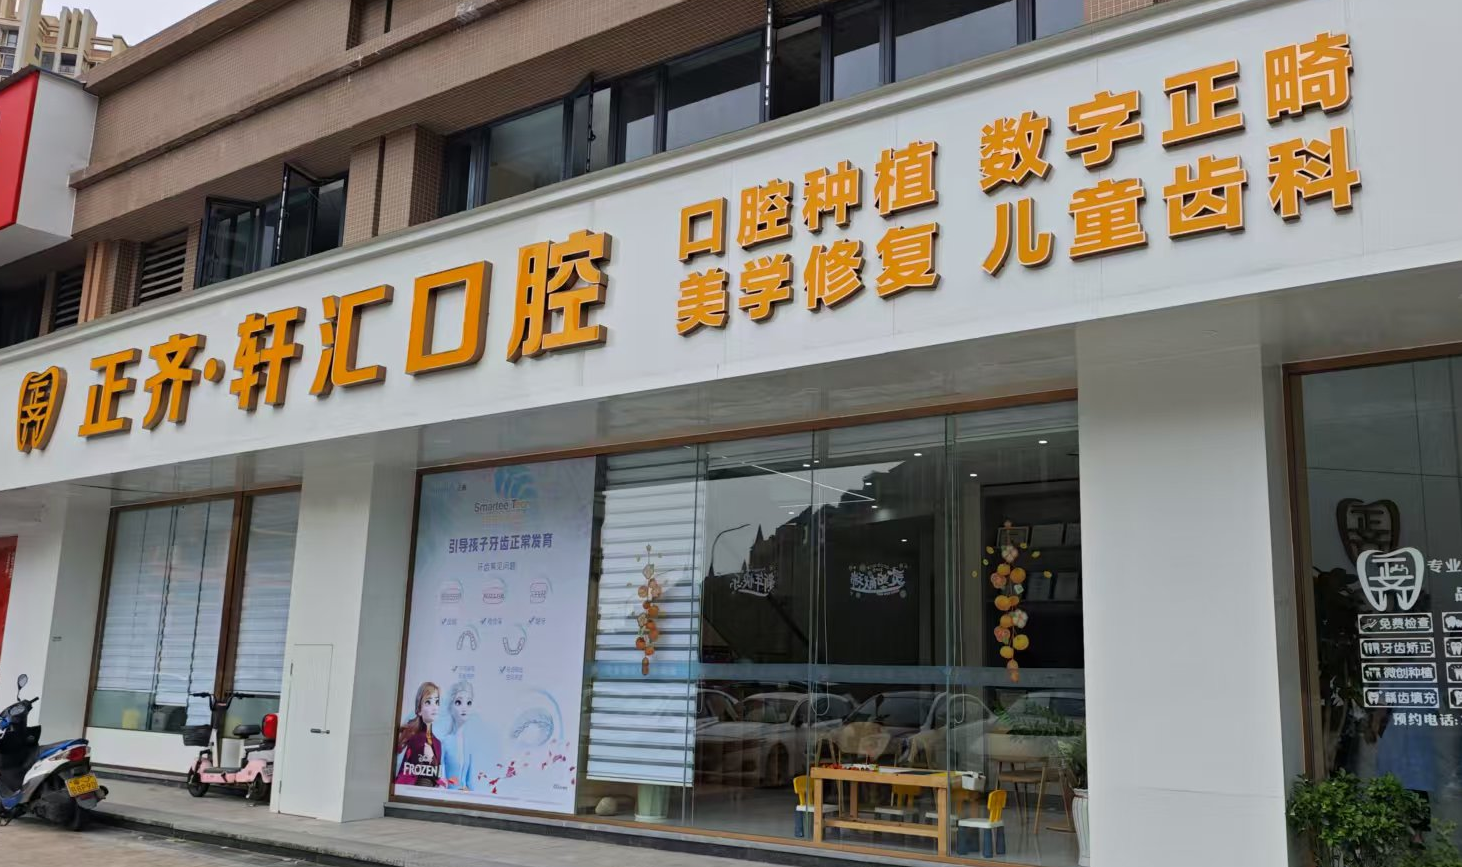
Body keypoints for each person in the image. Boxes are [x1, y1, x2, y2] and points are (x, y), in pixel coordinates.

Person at [442, 680, 500, 792]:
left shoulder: (468, 745)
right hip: (447, 797)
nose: (464, 708)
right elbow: (441, 779)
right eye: (458, 702)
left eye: (468, 703)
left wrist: (471, 795)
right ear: (450, 707)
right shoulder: (445, 742)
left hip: (465, 798)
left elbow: (470, 781)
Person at [396, 682, 444, 787]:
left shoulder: (437, 743)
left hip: (430, 792)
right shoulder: (415, 739)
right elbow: (408, 774)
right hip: (414, 791)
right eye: (428, 702)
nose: (434, 707)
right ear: (419, 710)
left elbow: (437, 775)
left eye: (437, 702)